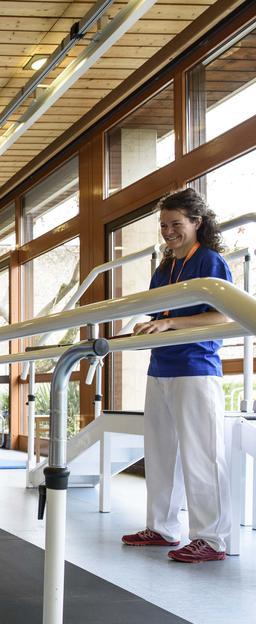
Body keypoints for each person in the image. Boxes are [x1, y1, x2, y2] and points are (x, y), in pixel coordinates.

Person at [122, 187, 233, 563]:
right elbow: (159, 318)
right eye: (163, 225)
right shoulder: (164, 268)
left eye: (176, 224)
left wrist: (171, 325)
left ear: (197, 223)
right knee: (160, 452)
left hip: (196, 368)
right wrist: (151, 324)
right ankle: (162, 527)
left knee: (202, 454)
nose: (168, 231)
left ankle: (212, 538)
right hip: (161, 368)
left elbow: (223, 314)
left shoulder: (210, 261)